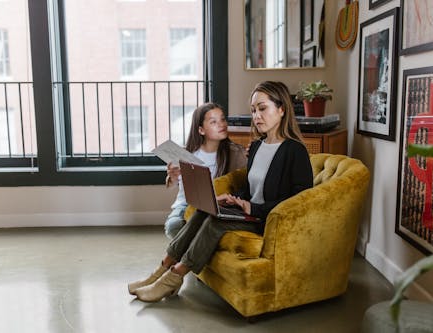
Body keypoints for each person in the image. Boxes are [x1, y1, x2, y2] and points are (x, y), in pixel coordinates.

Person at [127, 81, 313, 302]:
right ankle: (160, 271)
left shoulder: (295, 151)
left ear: (281, 109)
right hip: (249, 211)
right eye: (253, 110)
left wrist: (252, 207)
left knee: (216, 222)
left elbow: (301, 201)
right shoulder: (256, 147)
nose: (256, 116)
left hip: (267, 217)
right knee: (205, 210)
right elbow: (252, 188)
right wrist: (234, 199)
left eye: (262, 108)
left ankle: (173, 279)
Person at [163, 103, 246, 239]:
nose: (221, 124)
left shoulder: (236, 153)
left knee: (206, 228)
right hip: (185, 204)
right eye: (214, 122)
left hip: (216, 205)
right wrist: (171, 178)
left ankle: (183, 257)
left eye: (223, 119)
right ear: (201, 130)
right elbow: (172, 185)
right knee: (174, 227)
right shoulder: (187, 154)